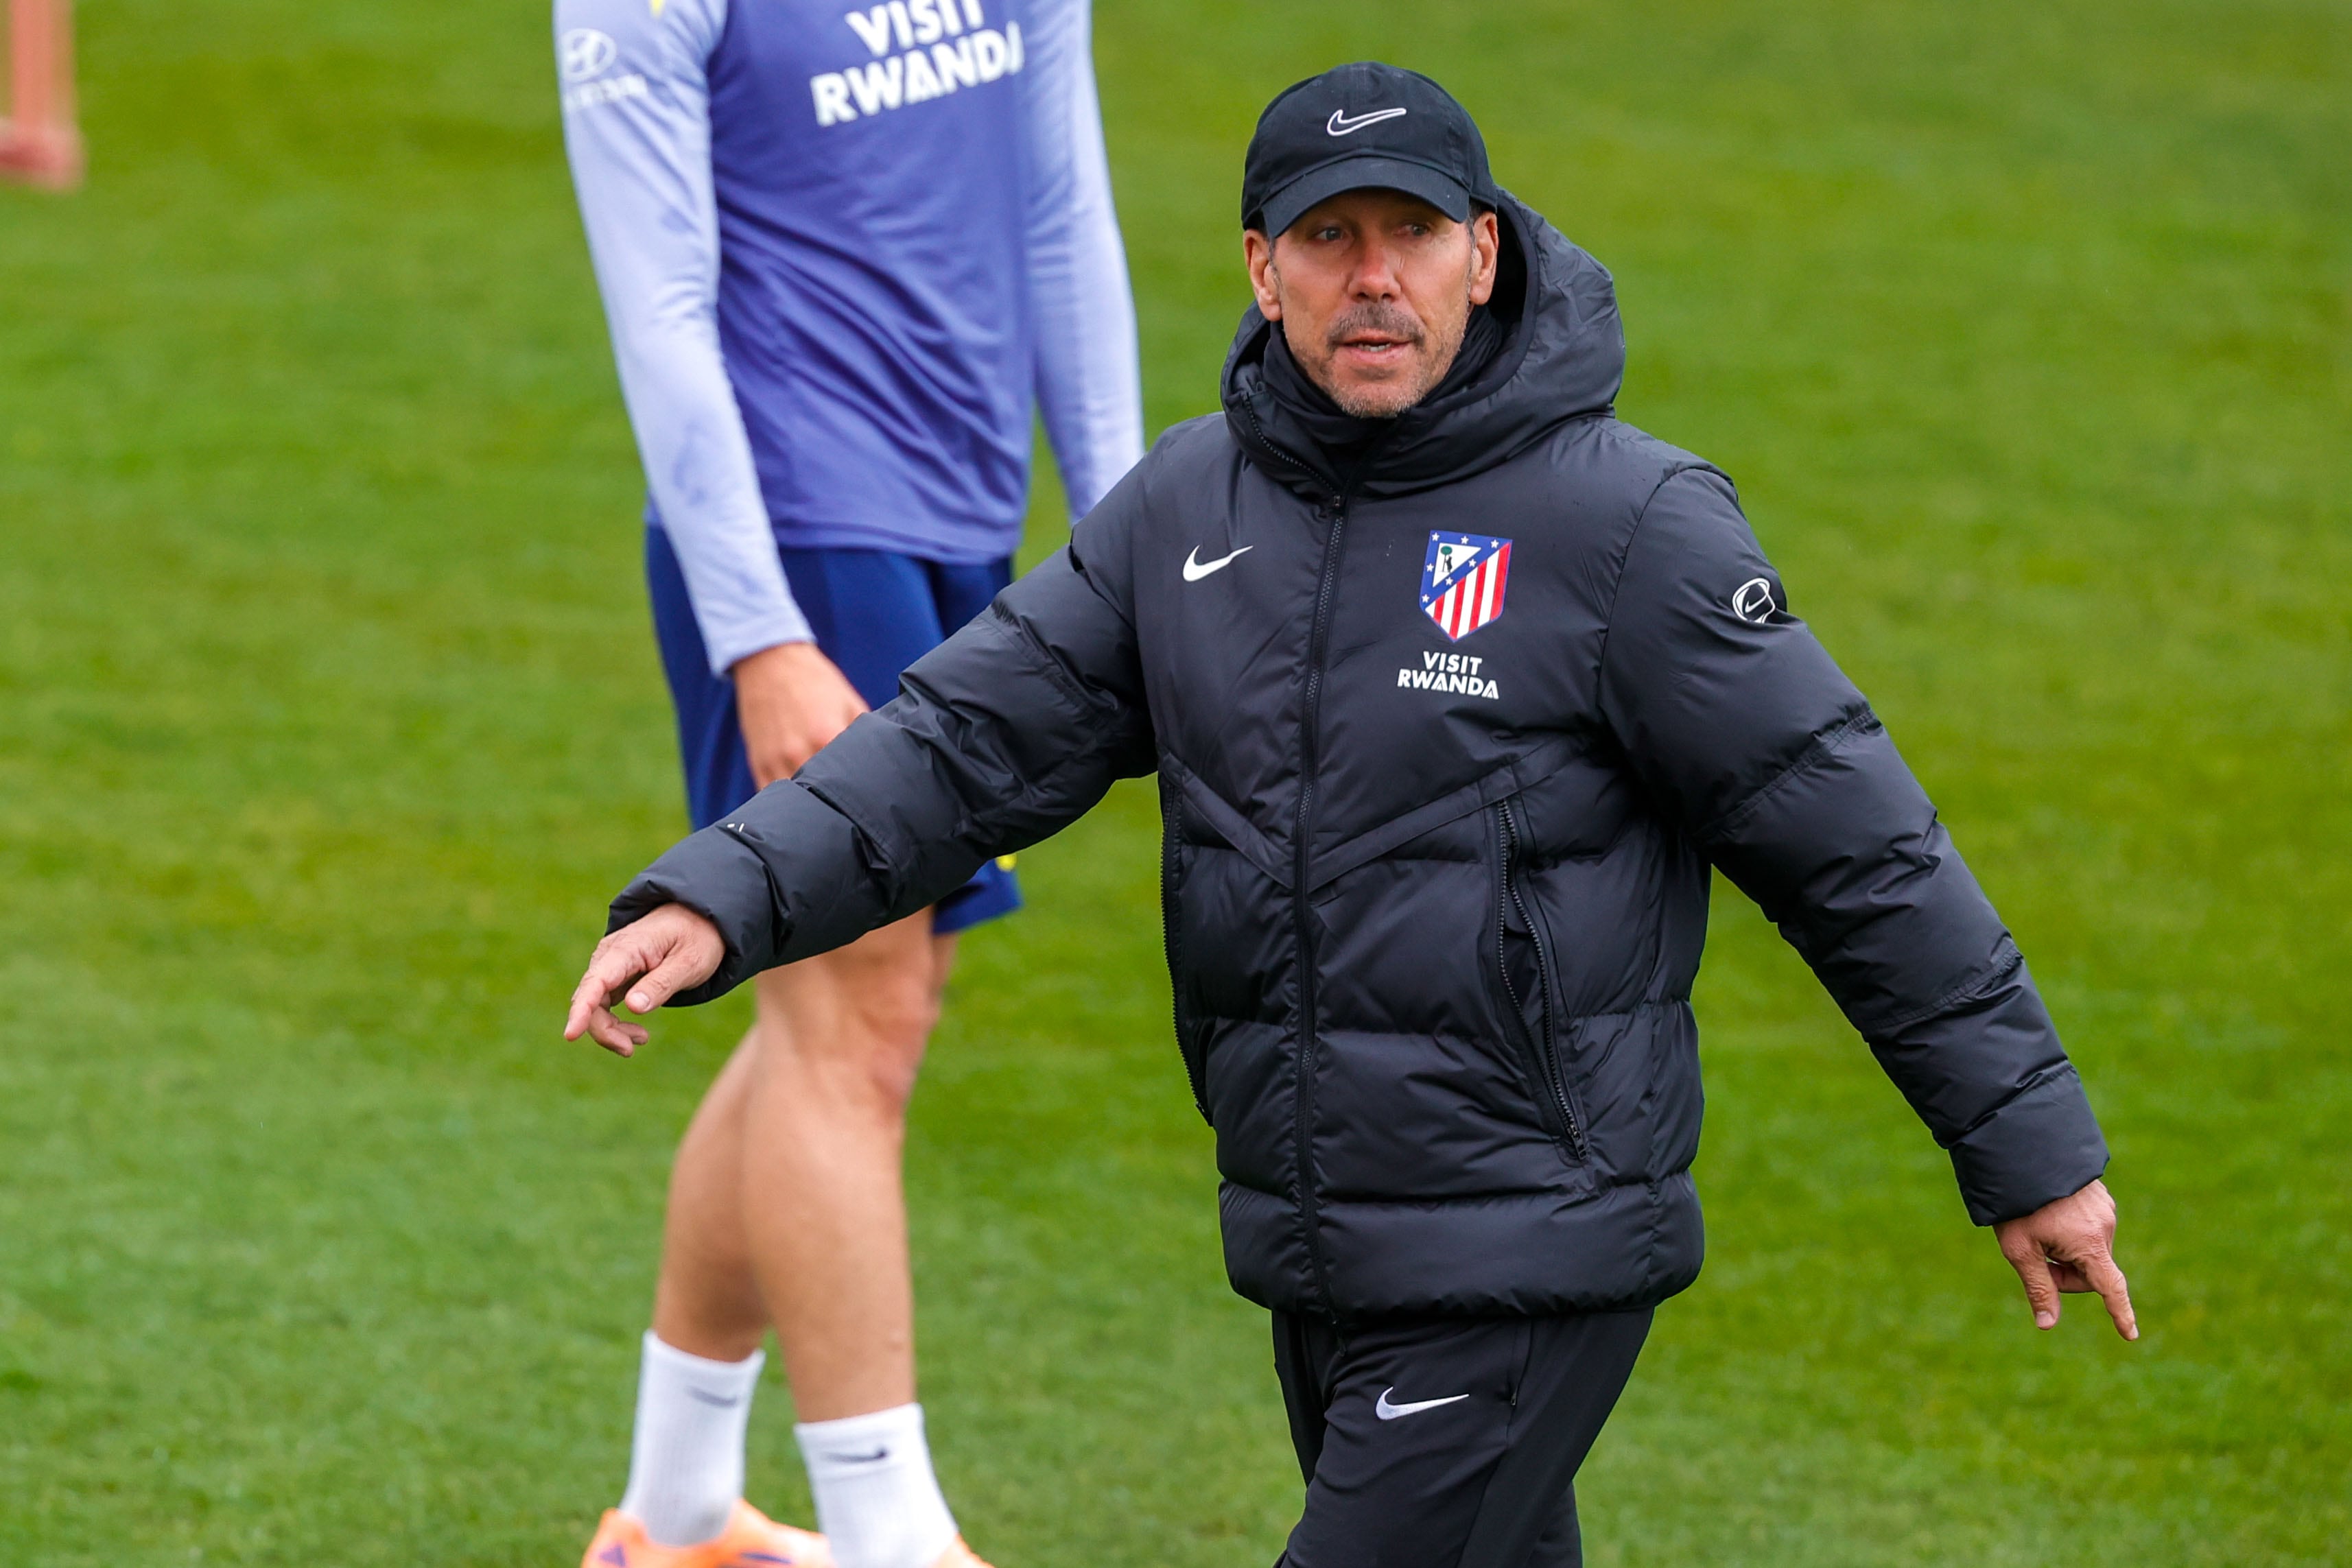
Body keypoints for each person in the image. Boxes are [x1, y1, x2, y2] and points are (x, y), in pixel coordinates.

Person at [565, 61, 2137, 1568]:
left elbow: (1855, 848)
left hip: (1533, 1242)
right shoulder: (1187, 512)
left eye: (1410, 234)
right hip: (1321, 1243)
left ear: (1484, 255)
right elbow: (966, 741)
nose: (1370, 277)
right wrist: (722, 894)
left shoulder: (1626, 528)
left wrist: (2027, 1151)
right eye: (1328, 238)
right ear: (1263, 270)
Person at [554, 0, 1143, 1563]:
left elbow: (1055, 209)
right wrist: (758, 634)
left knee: (855, 1011)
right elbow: (660, 296)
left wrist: (1133, 541)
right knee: (855, 1026)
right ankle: (894, 1538)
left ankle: (674, 1512)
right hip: (796, 531)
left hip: (964, 519)